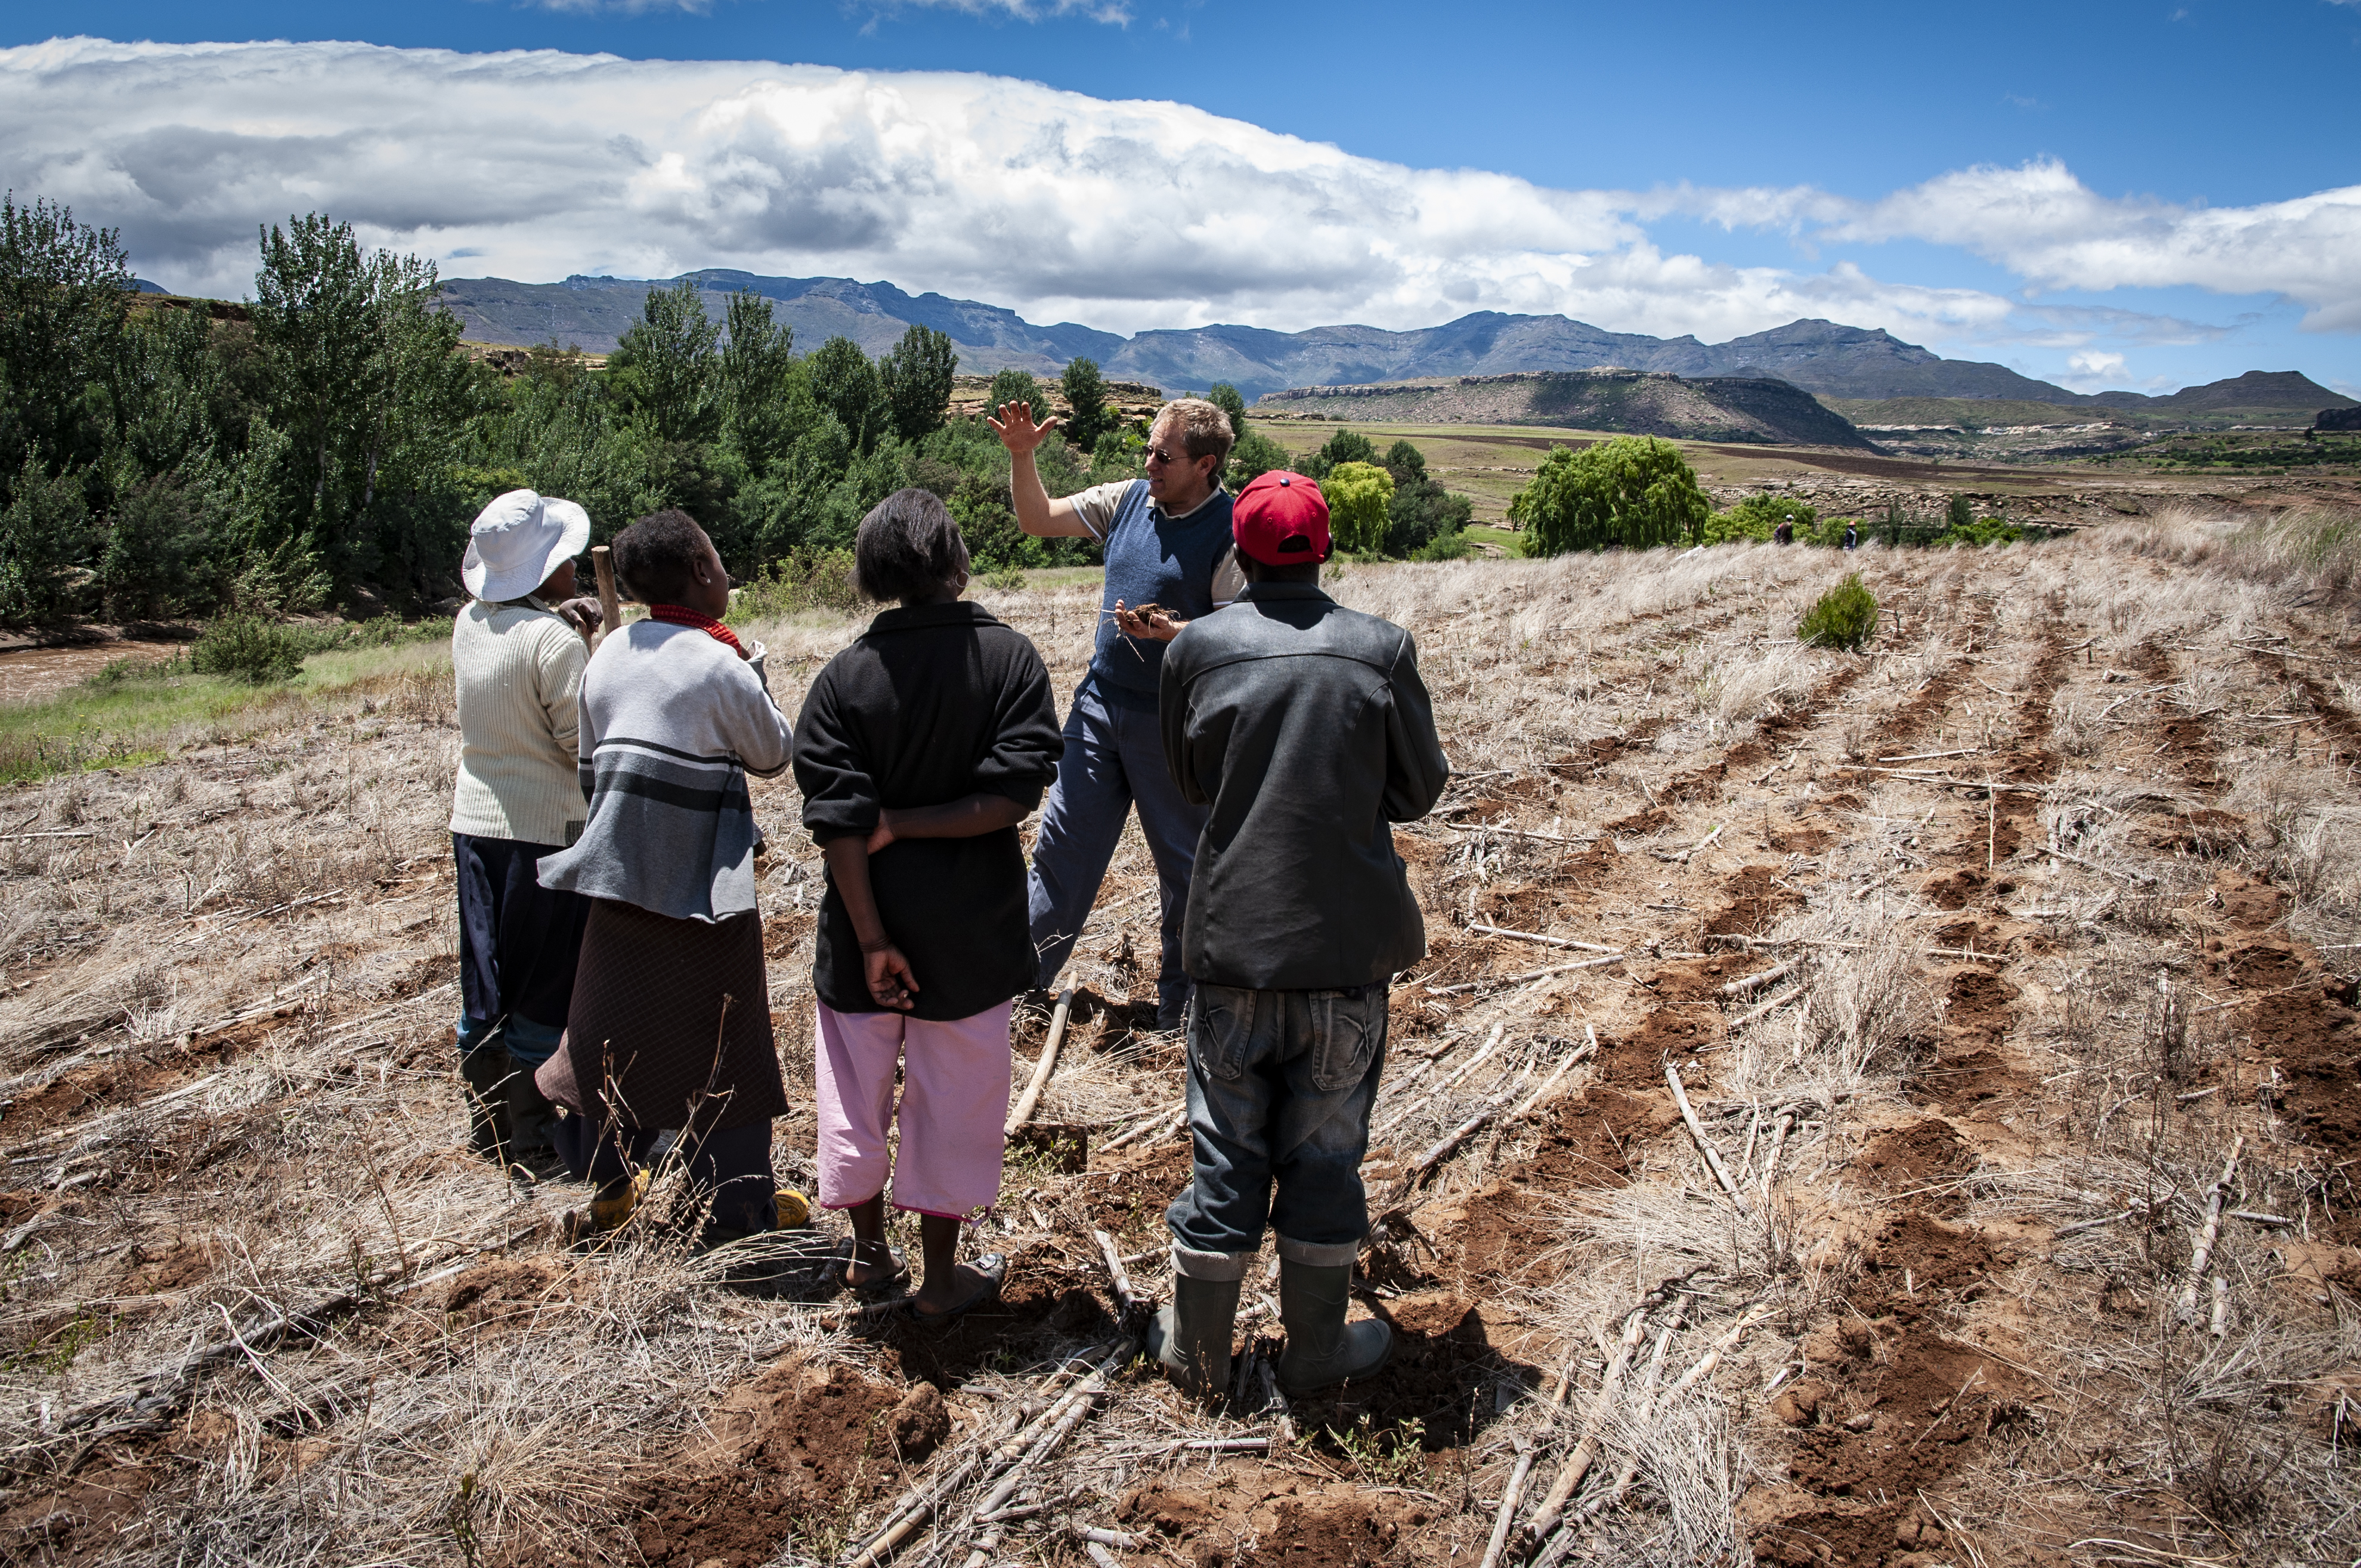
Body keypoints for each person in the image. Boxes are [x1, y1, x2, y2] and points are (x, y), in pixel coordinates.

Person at [1147, 471, 1451, 1396]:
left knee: (1223, 1151)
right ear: (1324, 551)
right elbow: (1419, 789)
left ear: (1234, 555)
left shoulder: (1194, 651)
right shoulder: (1380, 650)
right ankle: (1315, 1354)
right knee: (1325, 1156)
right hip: (1341, 955)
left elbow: (1192, 781)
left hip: (1233, 945)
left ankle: (1198, 1355)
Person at [792, 489, 1064, 1319]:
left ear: (873, 576)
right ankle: (943, 1281)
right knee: (956, 1097)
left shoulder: (842, 678)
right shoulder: (1009, 660)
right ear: (956, 562)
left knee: (854, 1092)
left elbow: (839, 824)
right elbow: (1014, 793)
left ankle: (868, 1260)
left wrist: (872, 940)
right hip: (970, 931)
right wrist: (911, 822)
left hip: (860, 928)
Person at [532, 509, 794, 1247]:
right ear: (702, 573)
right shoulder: (721, 663)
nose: (725, 572)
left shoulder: (609, 653)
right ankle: (737, 1208)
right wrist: (755, 674)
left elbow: (589, 770)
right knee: (724, 1043)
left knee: (610, 1033)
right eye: (717, 559)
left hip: (615, 876)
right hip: (703, 892)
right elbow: (773, 753)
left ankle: (611, 1185)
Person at [991, 396, 1245, 1031]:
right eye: (1150, 450)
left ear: (1205, 464)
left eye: (1165, 455)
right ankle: (1017, 987)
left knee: (1185, 870)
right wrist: (1023, 457)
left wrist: (1171, 633)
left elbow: (1238, 640)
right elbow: (1037, 518)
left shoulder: (1232, 530)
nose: (1151, 462)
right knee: (1060, 852)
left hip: (1177, 725)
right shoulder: (1129, 499)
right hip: (1100, 708)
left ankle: (1183, 1011)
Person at [448, 488, 604, 1170]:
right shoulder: (553, 642)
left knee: (486, 971)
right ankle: (535, 1129)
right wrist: (583, 648)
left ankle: (488, 1117)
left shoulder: (469, 621)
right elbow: (581, 742)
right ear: (546, 573)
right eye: (566, 560)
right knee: (545, 979)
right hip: (546, 829)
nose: (576, 568)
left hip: (477, 821)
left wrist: (566, 630)